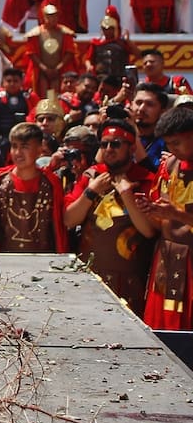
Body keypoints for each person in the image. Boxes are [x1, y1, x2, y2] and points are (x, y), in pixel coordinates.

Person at [64, 120, 156, 315]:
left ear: (131, 148)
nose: (108, 149)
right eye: (104, 144)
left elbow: (148, 231)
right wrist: (91, 192)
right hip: (89, 277)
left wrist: (127, 195)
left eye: (115, 144)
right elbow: (68, 221)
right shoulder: (91, 177)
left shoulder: (147, 180)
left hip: (130, 282)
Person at [0, 122, 67, 253]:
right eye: (14, 146)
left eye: (25, 147)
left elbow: (58, 227)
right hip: (4, 260)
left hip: (44, 261)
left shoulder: (52, 183)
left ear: (40, 149)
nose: (18, 153)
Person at [142, 106, 193, 329]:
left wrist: (176, 214)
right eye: (168, 144)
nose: (172, 149)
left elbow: (173, 213)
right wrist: (150, 210)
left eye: (177, 143)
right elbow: (160, 215)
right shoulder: (169, 165)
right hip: (166, 258)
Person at [22, 0, 79, 98]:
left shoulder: (65, 33)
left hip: (59, 70)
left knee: (57, 93)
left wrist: (57, 68)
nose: (53, 19)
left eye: (55, 16)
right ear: (44, 17)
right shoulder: (36, 33)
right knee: (42, 93)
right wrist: (44, 68)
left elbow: (70, 52)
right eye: (50, 16)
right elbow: (31, 53)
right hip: (42, 71)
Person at [86, 6, 139, 79]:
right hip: (101, 77)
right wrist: (89, 66)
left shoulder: (122, 43)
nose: (107, 31)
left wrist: (128, 41)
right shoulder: (96, 43)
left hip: (119, 77)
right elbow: (88, 59)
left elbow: (138, 54)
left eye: (109, 29)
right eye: (104, 29)